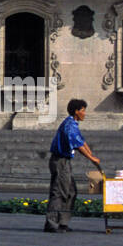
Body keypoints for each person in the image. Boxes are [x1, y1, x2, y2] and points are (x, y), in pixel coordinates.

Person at [45, 98, 101, 233]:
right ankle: (52, 224)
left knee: (71, 191)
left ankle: (63, 222)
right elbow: (77, 144)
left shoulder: (73, 124)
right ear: (76, 112)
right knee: (59, 192)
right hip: (60, 161)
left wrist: (91, 154)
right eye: (83, 110)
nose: (85, 113)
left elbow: (82, 141)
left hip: (65, 161)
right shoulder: (69, 125)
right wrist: (91, 157)